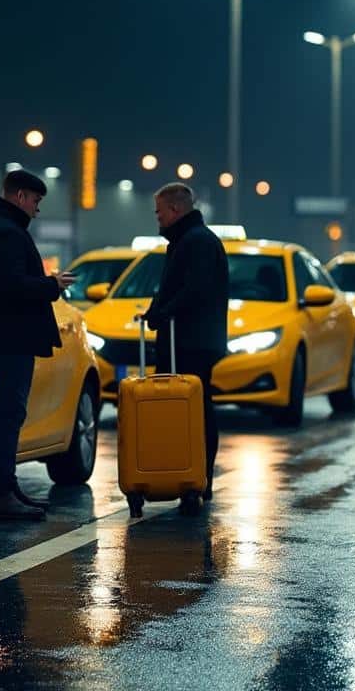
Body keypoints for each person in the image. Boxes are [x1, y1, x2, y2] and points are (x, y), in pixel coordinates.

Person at [0, 169, 76, 520]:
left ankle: (7, 487)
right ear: (20, 197)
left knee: (8, 412)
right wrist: (52, 285)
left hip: (4, 335)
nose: (36, 209)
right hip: (11, 337)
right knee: (9, 413)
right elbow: (13, 285)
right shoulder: (8, 233)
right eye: (35, 200)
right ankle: (2, 492)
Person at [139, 183, 228, 513]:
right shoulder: (187, 241)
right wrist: (157, 308)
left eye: (159, 212)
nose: (158, 218)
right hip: (189, 339)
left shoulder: (196, 242)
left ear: (175, 210)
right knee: (192, 409)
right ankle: (191, 478)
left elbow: (194, 290)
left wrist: (163, 312)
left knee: (195, 410)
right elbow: (175, 287)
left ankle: (198, 479)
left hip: (191, 341)